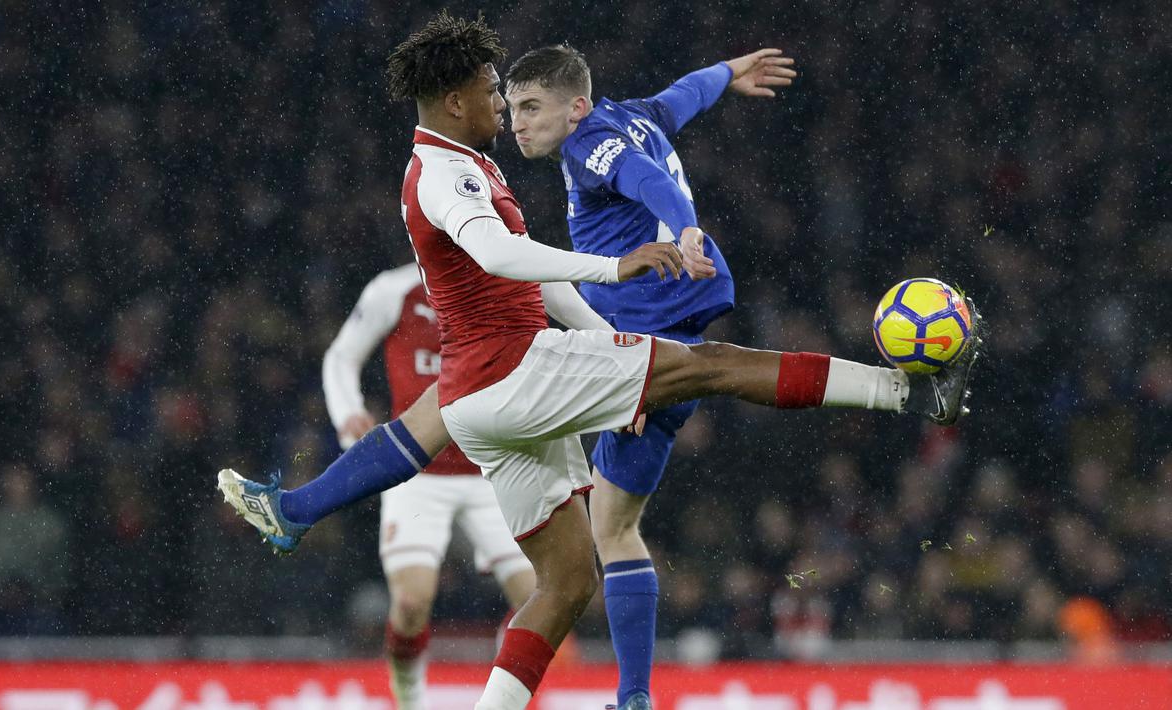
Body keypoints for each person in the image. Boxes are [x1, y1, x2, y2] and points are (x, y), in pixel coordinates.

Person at [219, 12, 980, 709]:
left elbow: (560, 252)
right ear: (454, 101)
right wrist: (616, 272)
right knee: (710, 364)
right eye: (493, 94)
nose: (502, 108)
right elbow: (500, 252)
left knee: (566, 581)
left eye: (516, 99)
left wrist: (612, 352)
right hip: (520, 376)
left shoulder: (466, 162)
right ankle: (908, 397)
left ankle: (297, 511)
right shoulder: (447, 174)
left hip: (486, 397)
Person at [503, 44, 795, 709]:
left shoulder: (590, 146)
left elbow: (643, 180)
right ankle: (632, 696)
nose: (517, 123)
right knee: (612, 524)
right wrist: (727, 74)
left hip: (637, 341)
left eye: (531, 108)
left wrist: (685, 230)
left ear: (574, 109)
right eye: (514, 109)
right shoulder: (633, 114)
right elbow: (682, 94)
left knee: (491, 391)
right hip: (672, 327)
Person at [323, 264, 537, 709]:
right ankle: (410, 697)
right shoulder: (393, 289)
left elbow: (555, 335)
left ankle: (502, 691)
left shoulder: (505, 280)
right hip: (416, 474)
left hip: (492, 470)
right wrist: (348, 415)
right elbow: (341, 356)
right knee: (411, 601)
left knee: (542, 599)